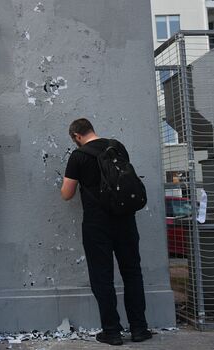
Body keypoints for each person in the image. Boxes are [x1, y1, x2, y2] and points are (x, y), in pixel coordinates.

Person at [61, 118, 152, 346]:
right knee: (132, 272)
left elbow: (66, 194)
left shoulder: (78, 156)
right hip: (125, 219)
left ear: (76, 137)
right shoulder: (116, 146)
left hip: (96, 224)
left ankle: (111, 331)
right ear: (91, 129)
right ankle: (140, 329)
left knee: (102, 277)